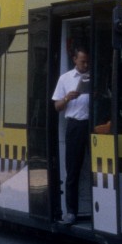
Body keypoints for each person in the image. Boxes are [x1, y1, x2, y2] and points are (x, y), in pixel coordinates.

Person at [52, 47, 91, 224]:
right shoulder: (65, 78)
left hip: (93, 125)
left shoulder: (93, 76)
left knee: (99, 168)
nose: (85, 65)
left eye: (87, 62)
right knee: (73, 170)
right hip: (75, 126)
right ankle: (71, 211)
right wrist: (68, 98)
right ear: (74, 59)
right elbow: (57, 107)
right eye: (82, 61)